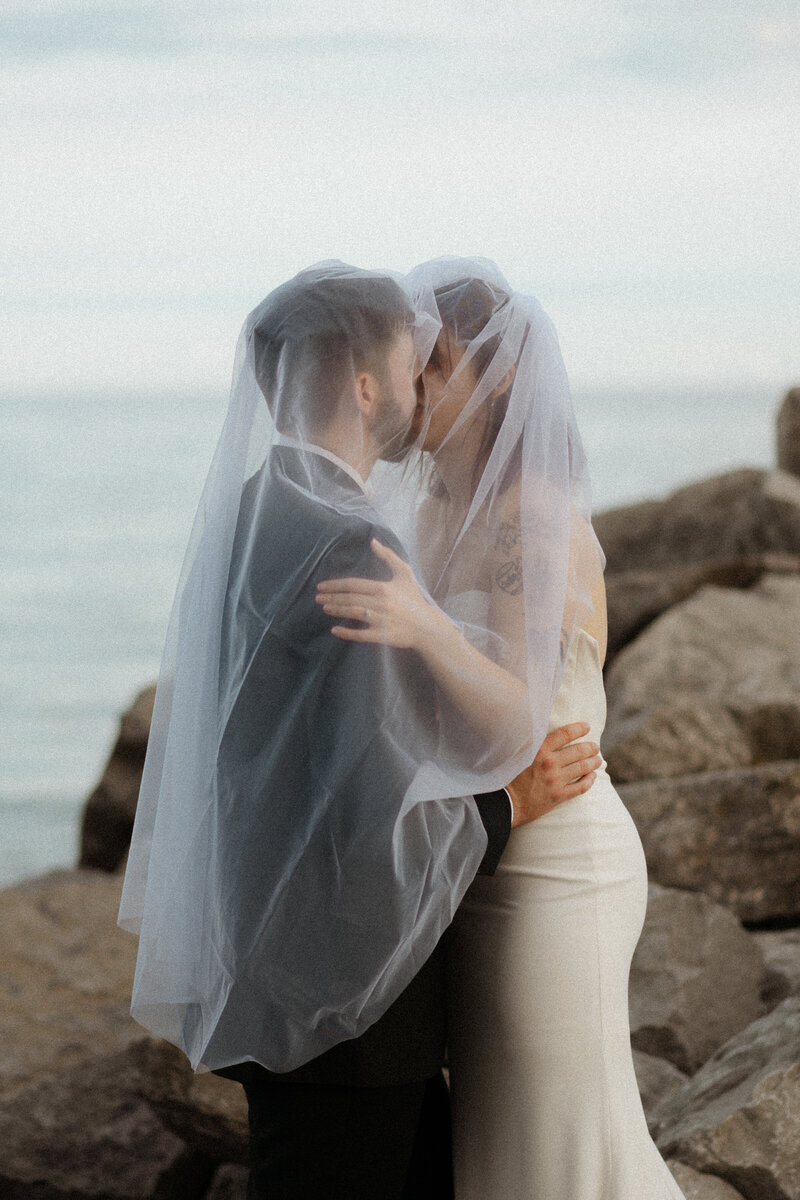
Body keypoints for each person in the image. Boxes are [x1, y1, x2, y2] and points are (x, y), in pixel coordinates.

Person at [118, 262, 599, 1200]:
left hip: (284, 951)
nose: (422, 381)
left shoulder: (254, 510)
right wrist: (509, 804)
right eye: (407, 360)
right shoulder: (348, 542)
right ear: (363, 383)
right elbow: (369, 790)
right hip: (347, 990)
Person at [317, 257, 686, 1198]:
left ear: (502, 376)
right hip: (475, 862)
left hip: (560, 868)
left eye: (434, 365)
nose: (414, 389)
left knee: (567, 1148)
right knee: (499, 1153)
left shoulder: (539, 520)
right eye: (410, 366)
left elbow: (522, 717)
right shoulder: (434, 511)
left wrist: (425, 627)